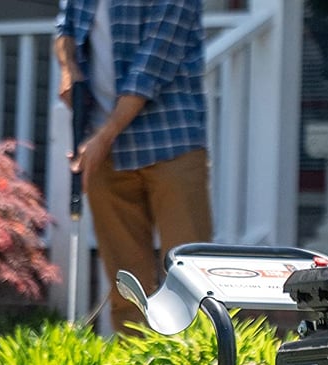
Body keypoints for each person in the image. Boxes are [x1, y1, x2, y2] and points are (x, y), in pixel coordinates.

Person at [54, 0, 213, 334]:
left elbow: (152, 63)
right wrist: (68, 67)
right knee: (127, 289)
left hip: (169, 143)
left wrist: (104, 136)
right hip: (104, 149)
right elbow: (65, 27)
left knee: (191, 282)